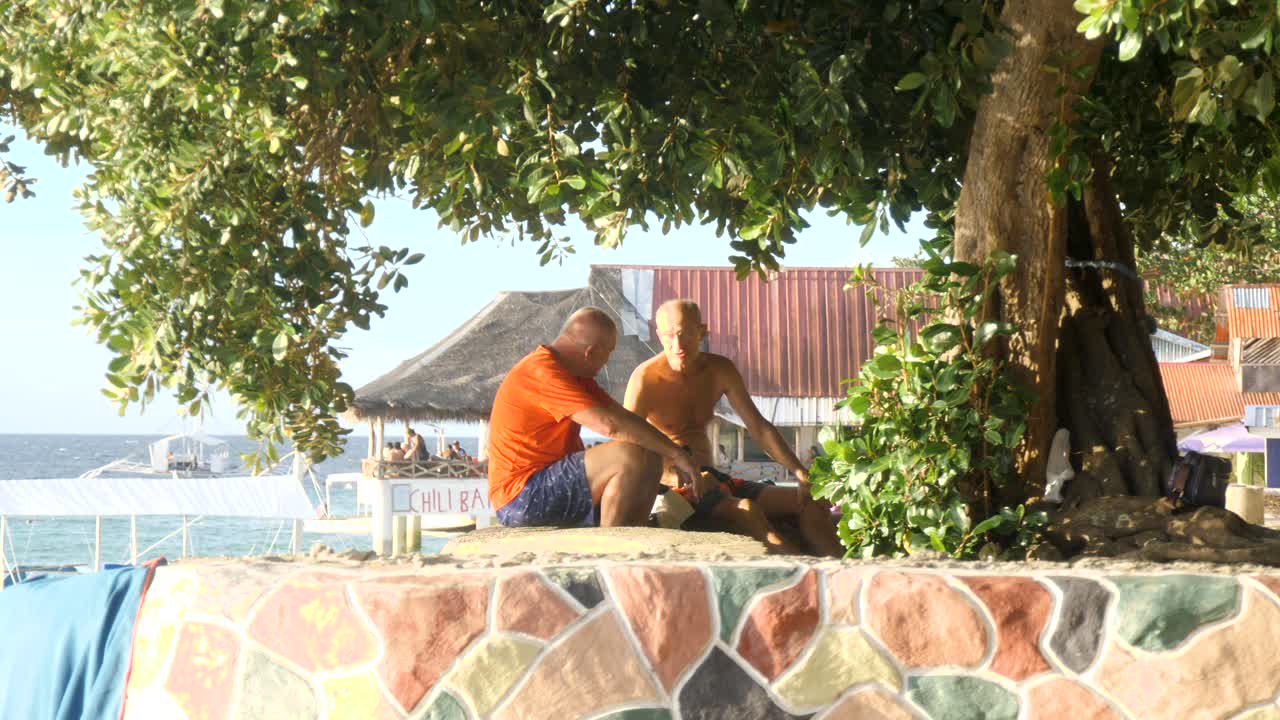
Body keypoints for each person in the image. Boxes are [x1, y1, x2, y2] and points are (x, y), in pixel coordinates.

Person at [625, 299, 843, 556]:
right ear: (658, 335)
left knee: (810, 501)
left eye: (685, 334)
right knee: (746, 510)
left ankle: (838, 570)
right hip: (675, 488)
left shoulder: (720, 369)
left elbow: (759, 428)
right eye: (668, 336)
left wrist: (799, 471)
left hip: (717, 480)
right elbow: (628, 448)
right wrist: (676, 477)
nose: (677, 346)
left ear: (702, 331)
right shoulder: (645, 378)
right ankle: (801, 570)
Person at [487, 307, 699, 527]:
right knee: (628, 453)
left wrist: (674, 452)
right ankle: (610, 540)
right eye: (608, 353)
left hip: (546, 486)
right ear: (590, 352)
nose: (605, 363)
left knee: (650, 454)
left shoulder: (575, 375)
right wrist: (676, 454)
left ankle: (632, 532)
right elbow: (609, 426)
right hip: (520, 497)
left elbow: (623, 418)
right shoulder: (542, 372)